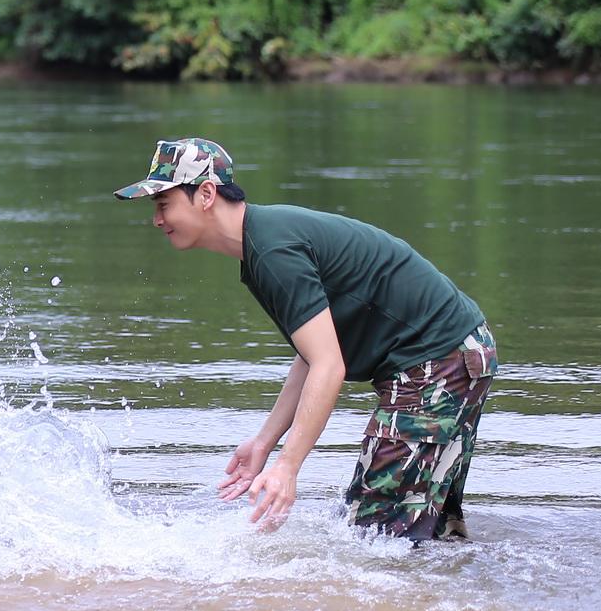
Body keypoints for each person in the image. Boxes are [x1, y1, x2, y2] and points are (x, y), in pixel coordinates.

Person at [114, 137, 498, 540]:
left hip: (440, 360)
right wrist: (264, 442)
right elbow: (312, 354)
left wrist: (288, 467)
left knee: (374, 533)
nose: (157, 219)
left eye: (163, 205)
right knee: (423, 531)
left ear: (206, 194)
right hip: (456, 353)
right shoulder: (263, 245)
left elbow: (329, 367)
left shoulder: (273, 251)